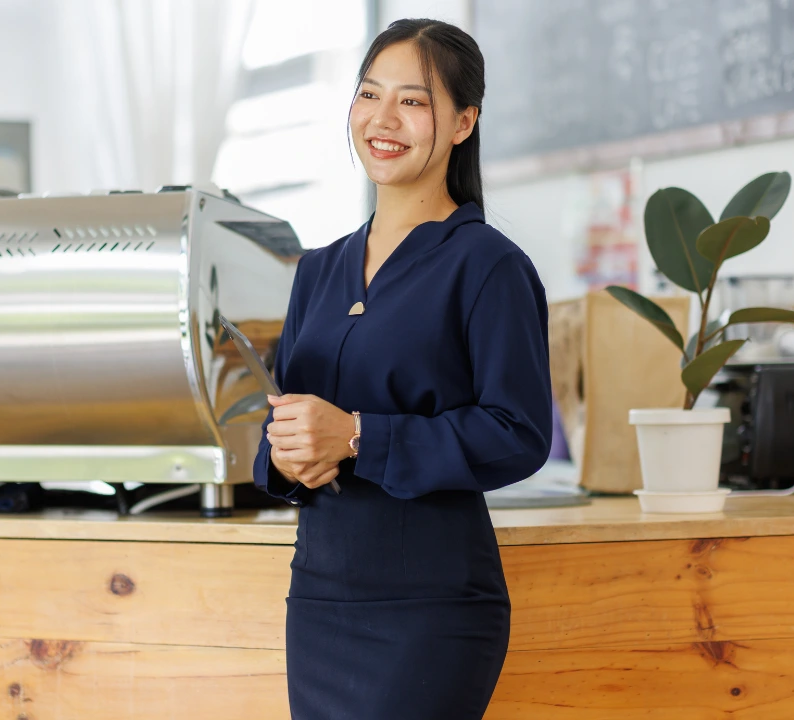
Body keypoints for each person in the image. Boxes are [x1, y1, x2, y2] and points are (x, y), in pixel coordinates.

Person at [252, 17, 553, 720]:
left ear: (462, 122)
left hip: (432, 608)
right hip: (320, 597)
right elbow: (279, 424)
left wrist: (358, 436)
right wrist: (288, 452)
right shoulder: (317, 271)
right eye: (368, 94)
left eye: (413, 101)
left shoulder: (488, 265)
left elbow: (518, 432)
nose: (383, 119)